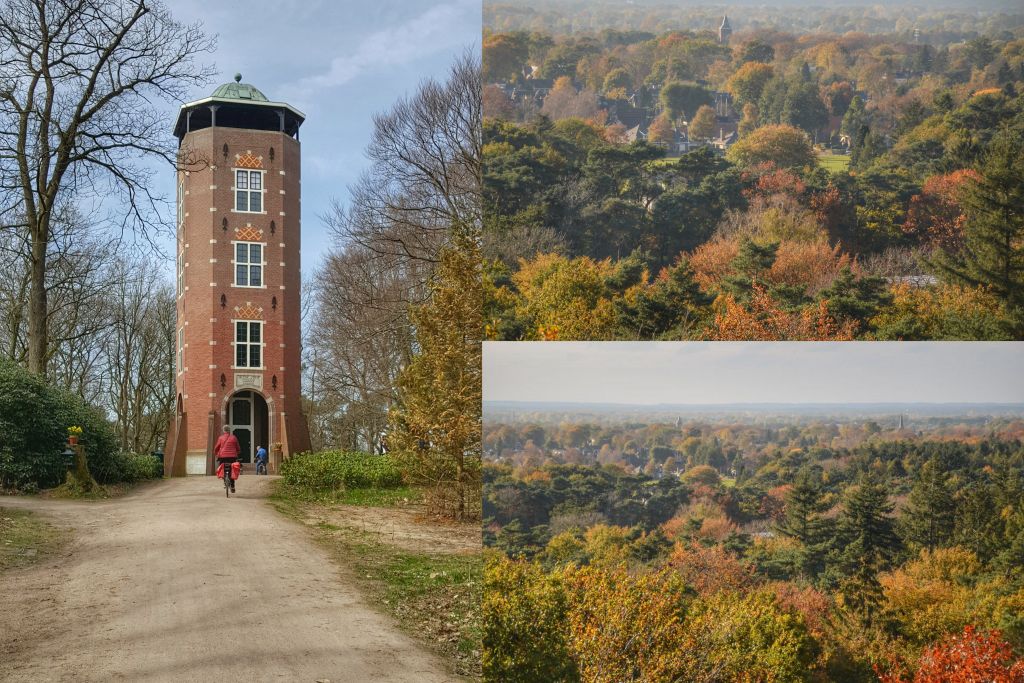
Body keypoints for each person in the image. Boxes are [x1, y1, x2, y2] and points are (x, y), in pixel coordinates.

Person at [213, 425, 241, 492]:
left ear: (223, 431)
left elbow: (216, 448)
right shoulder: (234, 437)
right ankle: (233, 486)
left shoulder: (221, 438)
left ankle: (225, 481)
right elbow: (238, 448)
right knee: (232, 470)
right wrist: (237, 453)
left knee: (222, 467)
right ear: (229, 430)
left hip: (223, 457)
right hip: (232, 457)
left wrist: (216, 454)